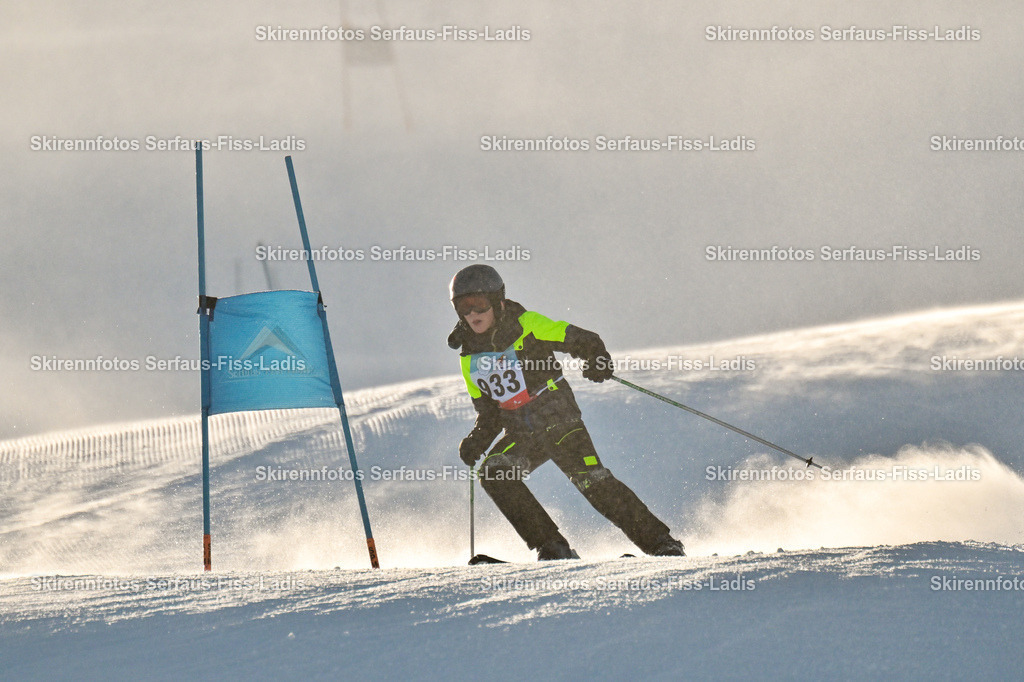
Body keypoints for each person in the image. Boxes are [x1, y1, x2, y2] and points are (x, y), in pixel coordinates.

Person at [447, 264, 684, 560]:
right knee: (495, 472)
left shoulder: (526, 324)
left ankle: (662, 544)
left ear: (498, 301)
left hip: (557, 418)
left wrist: (596, 358)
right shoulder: (469, 357)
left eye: (478, 304)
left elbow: (581, 339)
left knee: (591, 480)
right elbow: (489, 413)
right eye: (463, 306)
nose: (472, 314)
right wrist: (477, 439)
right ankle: (552, 548)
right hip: (522, 431)